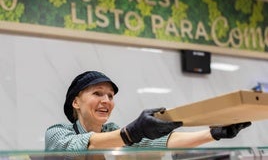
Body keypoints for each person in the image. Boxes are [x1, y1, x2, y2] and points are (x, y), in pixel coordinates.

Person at [45, 71, 251, 151]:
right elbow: (79, 145)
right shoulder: (57, 132)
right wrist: (131, 133)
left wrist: (213, 134)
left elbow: (160, 142)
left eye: (110, 96)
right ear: (76, 102)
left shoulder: (113, 129)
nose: (106, 100)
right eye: (97, 93)